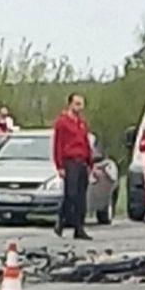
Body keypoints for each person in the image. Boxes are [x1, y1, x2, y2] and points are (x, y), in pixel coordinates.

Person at [53, 93, 93, 240]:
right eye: (77, 104)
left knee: (81, 197)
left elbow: (86, 143)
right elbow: (58, 144)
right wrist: (60, 166)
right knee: (71, 195)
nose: (79, 107)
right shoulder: (62, 122)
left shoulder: (82, 123)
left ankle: (79, 228)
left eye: (81, 104)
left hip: (82, 161)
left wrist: (90, 162)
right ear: (70, 104)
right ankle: (62, 221)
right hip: (70, 161)